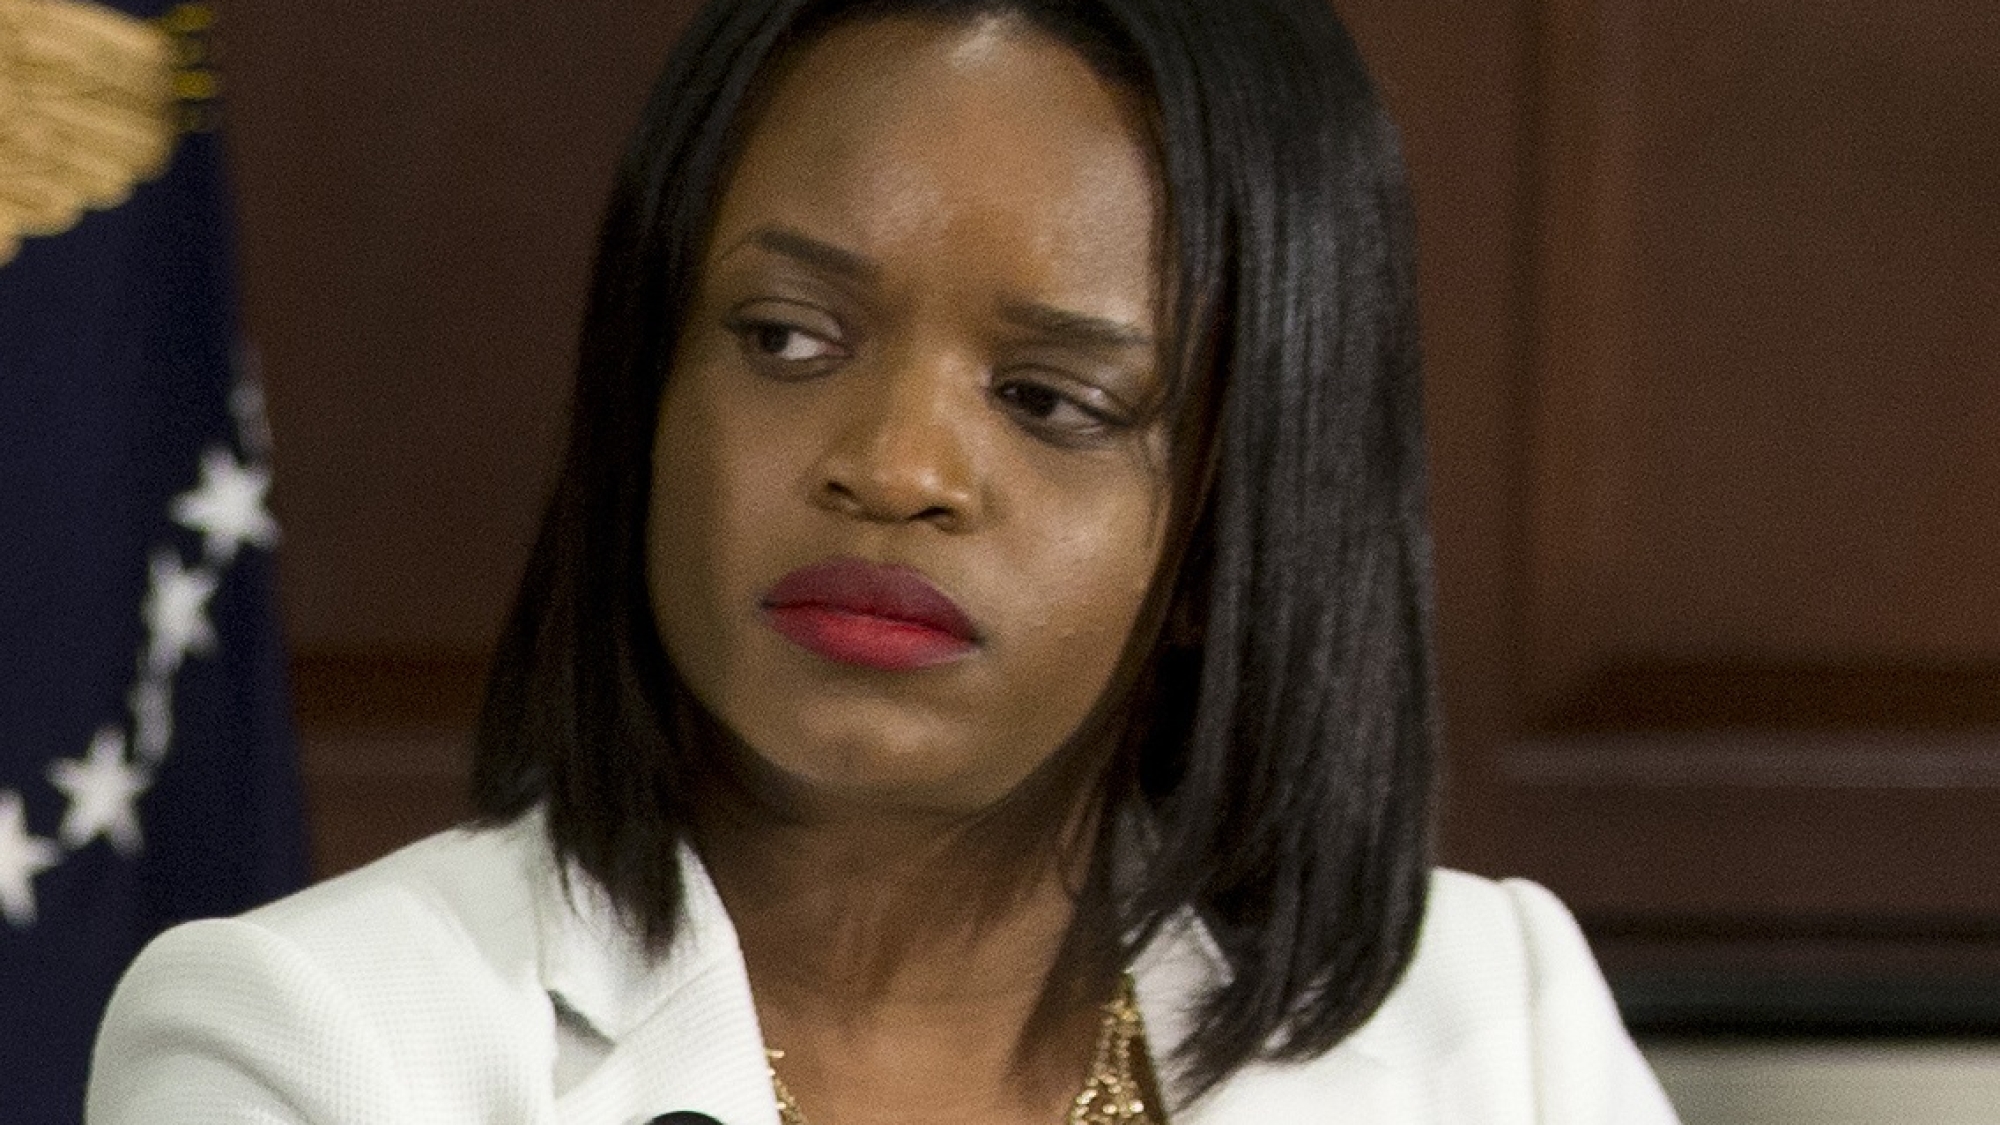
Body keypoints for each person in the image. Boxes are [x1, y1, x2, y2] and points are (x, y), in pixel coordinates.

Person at [87, 1, 1680, 1122]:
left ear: (1228, 531)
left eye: (1054, 399)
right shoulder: (325, 1044)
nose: (894, 467)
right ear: (648, 394)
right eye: (786, 336)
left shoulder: (1488, 1019)